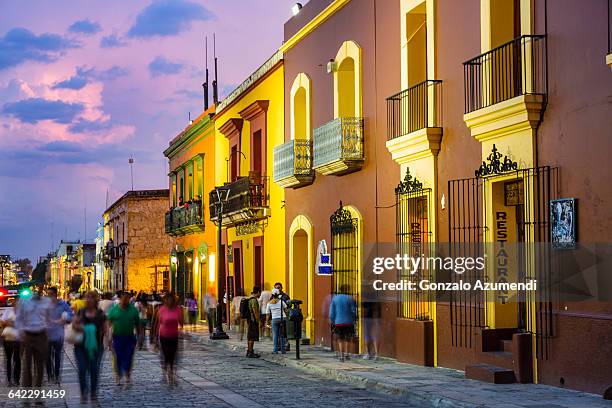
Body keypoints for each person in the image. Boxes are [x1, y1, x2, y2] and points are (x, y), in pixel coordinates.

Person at [72, 291, 106, 403]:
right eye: (88, 297)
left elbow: (105, 329)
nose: (89, 299)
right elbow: (74, 324)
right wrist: (83, 328)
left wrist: (107, 338)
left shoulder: (100, 314)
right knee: (82, 369)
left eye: (92, 297)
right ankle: (83, 392)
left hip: (96, 346)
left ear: (96, 300)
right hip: (80, 346)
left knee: (94, 370)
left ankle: (93, 393)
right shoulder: (80, 312)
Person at [15, 286, 51, 388]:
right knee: (26, 366)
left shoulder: (46, 302)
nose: (39, 289)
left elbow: (49, 317)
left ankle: (37, 392)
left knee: (40, 366)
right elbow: (18, 318)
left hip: (41, 335)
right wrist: (20, 333)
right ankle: (27, 390)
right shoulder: (24, 301)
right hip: (27, 335)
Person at [107, 291, 140, 387]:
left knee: (129, 356)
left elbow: (137, 323)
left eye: (127, 298)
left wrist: (139, 335)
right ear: (120, 299)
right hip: (117, 337)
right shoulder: (114, 310)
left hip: (130, 337)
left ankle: (127, 374)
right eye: (123, 298)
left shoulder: (133, 310)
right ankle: (118, 375)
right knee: (118, 357)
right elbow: (109, 323)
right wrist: (108, 337)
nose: (125, 300)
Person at [46, 287, 73, 384]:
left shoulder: (63, 304)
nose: (49, 297)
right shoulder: (45, 305)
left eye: (51, 295)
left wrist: (65, 319)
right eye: (48, 295)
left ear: (55, 295)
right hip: (47, 334)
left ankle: (56, 376)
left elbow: (70, 315)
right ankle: (50, 375)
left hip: (59, 334)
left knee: (57, 356)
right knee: (47, 357)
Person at [156, 292, 183, 385]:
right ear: (165, 300)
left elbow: (181, 321)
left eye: (171, 299)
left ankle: (170, 371)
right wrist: (155, 337)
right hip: (164, 336)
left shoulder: (178, 309)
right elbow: (158, 323)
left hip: (174, 335)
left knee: (173, 354)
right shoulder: (161, 310)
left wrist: (182, 330)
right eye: (168, 299)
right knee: (166, 354)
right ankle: (167, 371)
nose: (170, 301)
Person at [329, 285, 357, 362]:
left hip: (338, 322)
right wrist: (354, 319)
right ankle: (347, 354)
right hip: (349, 322)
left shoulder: (335, 299)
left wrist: (332, 320)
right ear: (348, 289)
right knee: (348, 338)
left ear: (340, 290)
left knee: (340, 339)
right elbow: (353, 311)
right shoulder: (350, 298)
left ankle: (341, 355)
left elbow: (331, 313)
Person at [0, 303, 21, 386]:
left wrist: (13, 324)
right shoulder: (8, 311)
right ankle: (9, 379)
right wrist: (8, 323)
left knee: (17, 359)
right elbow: (2, 322)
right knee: (8, 359)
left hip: (17, 339)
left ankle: (17, 379)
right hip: (7, 339)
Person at [266, 288, 287, 354]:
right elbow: (286, 310)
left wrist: (267, 322)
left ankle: (275, 350)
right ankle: (283, 349)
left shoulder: (269, 303)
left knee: (275, 335)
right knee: (282, 334)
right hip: (282, 318)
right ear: (278, 294)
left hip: (274, 319)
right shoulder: (282, 302)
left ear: (272, 295)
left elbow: (268, 314)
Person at [274, 282, 290, 351]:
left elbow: (289, 305)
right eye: (276, 288)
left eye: (279, 287)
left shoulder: (285, 296)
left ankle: (285, 345)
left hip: (283, 316)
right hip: (275, 316)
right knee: (277, 332)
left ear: (281, 288)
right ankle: (278, 346)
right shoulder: (273, 296)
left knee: (284, 331)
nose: (277, 289)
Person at [245, 287, 261, 358]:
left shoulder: (249, 299)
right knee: (252, 337)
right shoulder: (254, 300)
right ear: (257, 292)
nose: (260, 294)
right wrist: (258, 321)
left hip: (249, 320)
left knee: (250, 336)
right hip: (253, 320)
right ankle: (250, 352)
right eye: (259, 293)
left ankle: (249, 351)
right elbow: (255, 311)